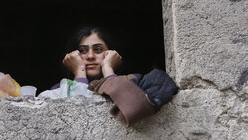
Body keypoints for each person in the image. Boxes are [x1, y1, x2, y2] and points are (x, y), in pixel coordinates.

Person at [46, 26, 178, 127]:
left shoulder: (135, 83)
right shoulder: (58, 91)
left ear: (110, 53)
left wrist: (108, 70)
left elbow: (132, 106)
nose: (90, 56)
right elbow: (75, 120)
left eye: (98, 49)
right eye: (82, 51)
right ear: (72, 56)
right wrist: (80, 73)